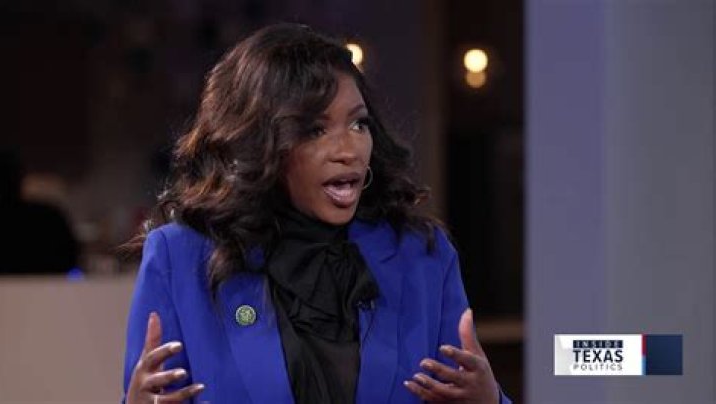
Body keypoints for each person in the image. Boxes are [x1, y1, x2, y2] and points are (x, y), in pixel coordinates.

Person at [122, 23, 512, 404]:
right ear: (260, 143)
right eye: (314, 130)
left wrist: (490, 401)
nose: (349, 150)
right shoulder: (180, 258)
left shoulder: (422, 257)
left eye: (358, 124)